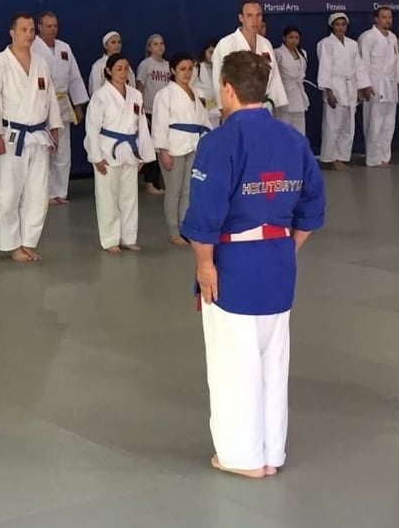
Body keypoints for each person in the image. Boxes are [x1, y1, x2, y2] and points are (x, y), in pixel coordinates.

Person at [181, 50, 326, 480]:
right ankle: (270, 453)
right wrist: (286, 247)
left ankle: (241, 457)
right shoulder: (293, 139)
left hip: (233, 263)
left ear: (227, 89)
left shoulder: (219, 142)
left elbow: (204, 213)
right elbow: (312, 208)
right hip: (278, 258)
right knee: (272, 363)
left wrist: (204, 265)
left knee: (234, 364)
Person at [0, 13, 62, 263]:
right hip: (11, 137)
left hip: (38, 136)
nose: (29, 34)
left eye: (31, 30)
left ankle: (29, 241)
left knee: (38, 193)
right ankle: (12, 244)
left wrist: (54, 127)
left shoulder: (41, 62)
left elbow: (50, 97)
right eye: (24, 30)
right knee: (9, 194)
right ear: (12, 32)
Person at [85, 55, 153, 253]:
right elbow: (92, 128)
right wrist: (96, 157)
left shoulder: (135, 95)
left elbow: (141, 126)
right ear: (108, 71)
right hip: (107, 150)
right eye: (118, 68)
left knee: (129, 197)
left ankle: (128, 237)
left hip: (130, 150)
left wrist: (143, 154)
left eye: (126, 68)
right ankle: (110, 240)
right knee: (107, 197)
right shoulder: (100, 96)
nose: (123, 72)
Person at [152, 53, 209, 246]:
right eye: (182, 69)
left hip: (193, 143)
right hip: (173, 146)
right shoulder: (165, 94)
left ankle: (185, 228)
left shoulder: (195, 93)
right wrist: (163, 151)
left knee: (188, 191)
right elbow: (159, 124)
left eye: (190, 69)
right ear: (173, 70)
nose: (187, 73)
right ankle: (173, 231)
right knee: (173, 191)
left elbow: (204, 121)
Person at [32, 12, 89, 205]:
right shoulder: (32, 48)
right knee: (45, 149)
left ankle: (60, 192)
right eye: (49, 26)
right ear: (39, 27)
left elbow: (74, 78)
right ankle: (45, 192)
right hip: (41, 104)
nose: (53, 29)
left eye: (55, 26)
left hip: (62, 103)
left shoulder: (64, 48)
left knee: (63, 151)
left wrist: (78, 106)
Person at [211, 0, 289, 114]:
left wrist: (275, 107)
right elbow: (219, 80)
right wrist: (224, 110)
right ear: (241, 18)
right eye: (249, 16)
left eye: (258, 15)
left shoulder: (265, 43)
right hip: (237, 107)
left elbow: (274, 78)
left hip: (264, 108)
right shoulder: (226, 44)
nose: (254, 21)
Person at [316, 13, 372, 170]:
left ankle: (342, 157)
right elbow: (325, 67)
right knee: (332, 125)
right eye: (337, 24)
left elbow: (358, 67)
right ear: (332, 27)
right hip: (335, 86)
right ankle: (330, 158)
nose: (341, 27)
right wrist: (329, 91)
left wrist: (362, 88)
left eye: (343, 24)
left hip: (350, 87)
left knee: (348, 126)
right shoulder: (326, 44)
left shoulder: (352, 44)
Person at [359, 8, 399, 168]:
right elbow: (363, 63)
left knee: (389, 123)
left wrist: (398, 82)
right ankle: (373, 158)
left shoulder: (393, 37)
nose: (388, 20)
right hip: (374, 83)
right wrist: (365, 85)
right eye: (384, 17)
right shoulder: (368, 37)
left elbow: (396, 61)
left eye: (390, 17)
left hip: (390, 84)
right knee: (375, 122)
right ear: (376, 19)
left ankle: (384, 157)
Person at [135, 34, 172, 195]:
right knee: (150, 149)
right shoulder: (146, 65)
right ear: (149, 48)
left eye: (161, 43)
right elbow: (139, 88)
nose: (159, 46)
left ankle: (161, 180)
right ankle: (150, 182)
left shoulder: (168, 65)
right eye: (155, 44)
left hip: (165, 112)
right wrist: (140, 112)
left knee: (163, 147)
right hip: (149, 111)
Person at [273, 26, 310, 135]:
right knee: (284, 129)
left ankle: (299, 146)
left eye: (296, 38)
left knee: (300, 130)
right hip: (284, 93)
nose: (294, 40)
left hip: (299, 94)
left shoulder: (303, 53)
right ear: (284, 38)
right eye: (291, 37)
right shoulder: (278, 53)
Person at [88, 31, 123, 96]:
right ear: (105, 45)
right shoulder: (98, 66)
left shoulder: (125, 65)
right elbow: (95, 90)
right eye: (113, 42)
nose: (117, 45)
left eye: (119, 42)